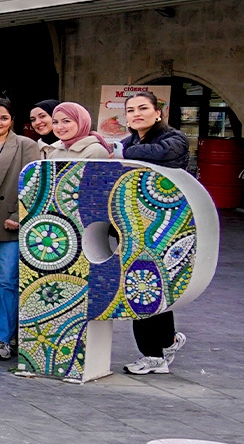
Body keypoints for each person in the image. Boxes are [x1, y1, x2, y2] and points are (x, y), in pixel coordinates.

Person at [118, 90, 192, 374]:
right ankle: (165, 344)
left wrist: (120, 151)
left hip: (168, 225)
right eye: (131, 110)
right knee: (146, 286)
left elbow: (162, 155)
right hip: (136, 225)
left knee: (149, 286)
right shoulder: (129, 141)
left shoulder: (173, 138)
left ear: (158, 113)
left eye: (143, 108)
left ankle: (153, 355)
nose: (136, 114)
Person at [0, 98, 44, 361]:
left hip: (11, 223)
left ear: (12, 120)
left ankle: (3, 337)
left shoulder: (26, 145)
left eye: (3, 118)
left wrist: (19, 215)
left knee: (6, 280)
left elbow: (35, 183)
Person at [46, 101, 112, 160]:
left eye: (66, 121)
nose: (59, 127)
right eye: (55, 122)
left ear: (81, 122)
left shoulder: (95, 151)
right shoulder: (54, 151)